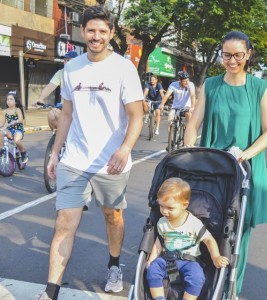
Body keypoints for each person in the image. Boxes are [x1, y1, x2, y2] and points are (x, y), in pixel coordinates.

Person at [36, 5, 143, 300]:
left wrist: (125, 149)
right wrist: (56, 153)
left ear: (110, 35)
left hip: (111, 161)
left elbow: (136, 115)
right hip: (75, 160)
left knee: (113, 216)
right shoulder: (71, 68)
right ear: (83, 32)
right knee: (63, 224)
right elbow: (67, 115)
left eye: (102, 32)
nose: (96, 36)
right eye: (91, 31)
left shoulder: (124, 68)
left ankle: (113, 265)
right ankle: (51, 290)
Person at [184, 31, 267, 297]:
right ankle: (203, 284)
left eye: (238, 55)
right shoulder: (211, 85)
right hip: (213, 168)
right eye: (226, 55)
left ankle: (231, 289)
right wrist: (189, 150)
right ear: (221, 55)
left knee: (239, 232)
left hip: (246, 166)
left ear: (248, 55)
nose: (232, 60)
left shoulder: (259, 88)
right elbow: (193, 124)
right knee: (207, 225)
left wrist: (246, 154)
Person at [146, 177, 229, 300]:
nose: (164, 211)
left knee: (197, 277)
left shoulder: (194, 223)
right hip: (167, 258)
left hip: (190, 261)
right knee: (153, 270)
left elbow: (209, 240)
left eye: (170, 208)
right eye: (161, 206)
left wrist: (215, 257)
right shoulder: (162, 222)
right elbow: (159, 243)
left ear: (184, 205)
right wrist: (151, 260)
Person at [35, 51, 78, 131]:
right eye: (65, 60)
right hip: (64, 105)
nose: (66, 62)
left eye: (68, 60)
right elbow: (50, 86)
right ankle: (57, 135)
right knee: (52, 114)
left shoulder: (81, 73)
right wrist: (40, 98)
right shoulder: (60, 73)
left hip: (78, 106)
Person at [0, 91, 28, 163]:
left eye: (11, 99)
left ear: (15, 102)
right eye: (7, 99)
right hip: (9, 130)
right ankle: (2, 149)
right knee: (1, 131)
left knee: (16, 140)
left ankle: (23, 152)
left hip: (18, 130)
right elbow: (2, 124)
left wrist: (15, 121)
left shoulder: (17, 110)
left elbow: (21, 120)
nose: (9, 101)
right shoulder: (5, 111)